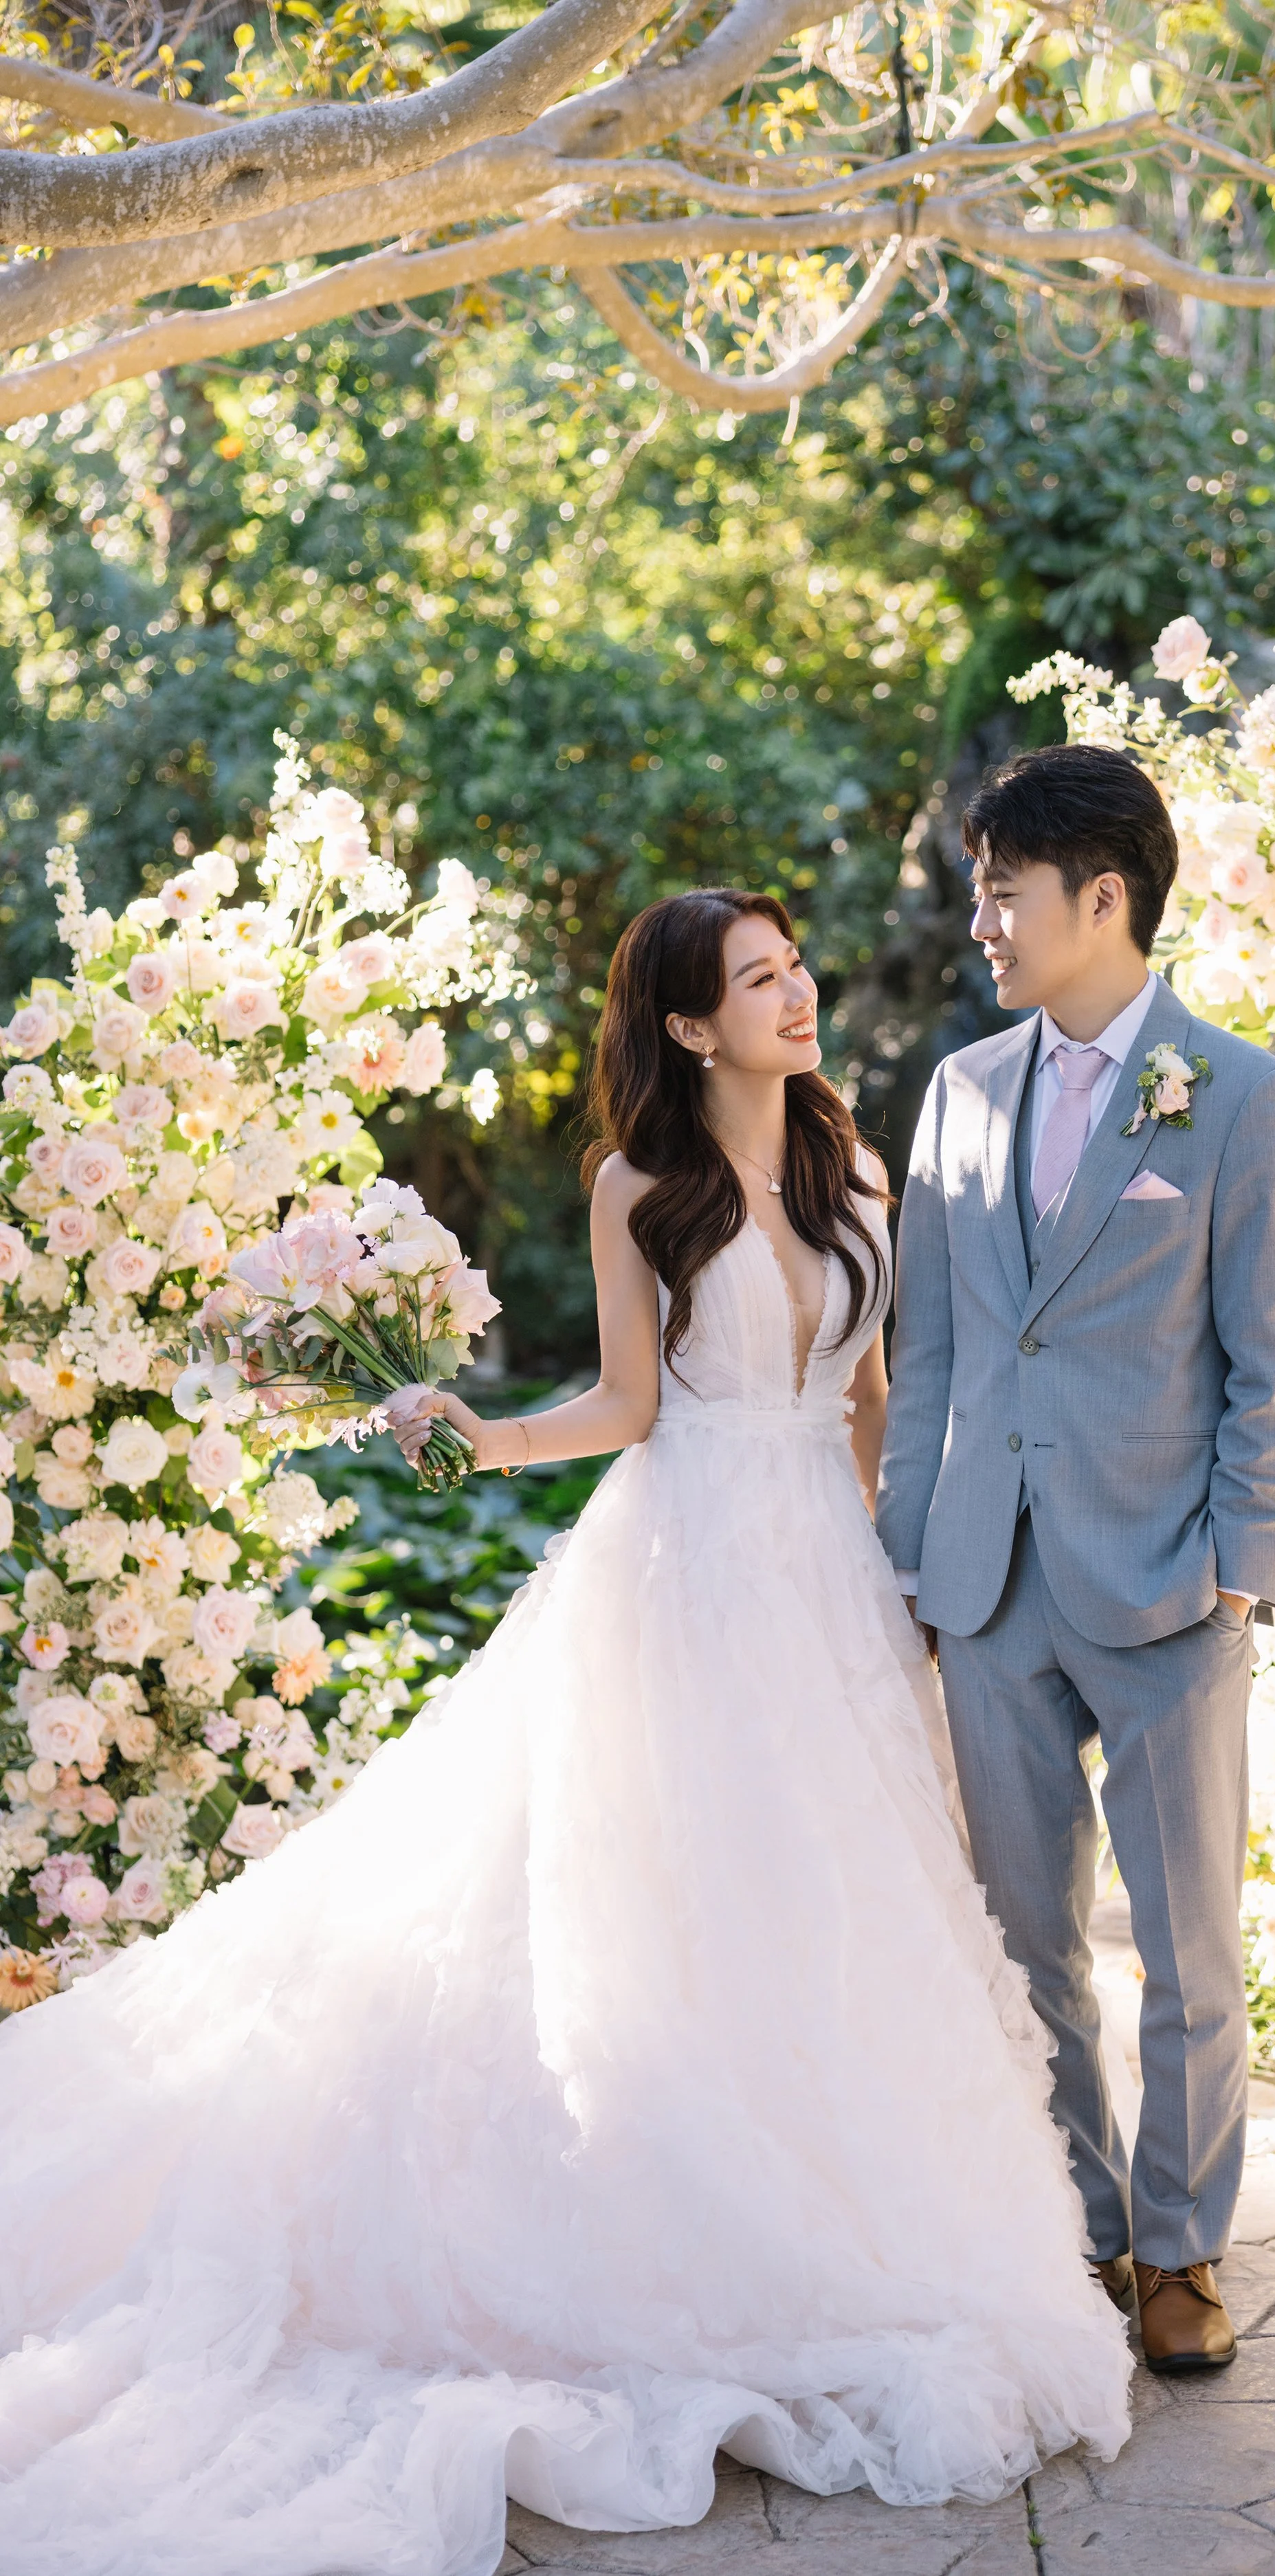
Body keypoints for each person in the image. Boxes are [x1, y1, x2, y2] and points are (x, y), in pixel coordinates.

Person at [0, 890, 1129, 2576]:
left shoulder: (859, 1167)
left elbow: (878, 1395)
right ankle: (687, 2226)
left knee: (858, 1905)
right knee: (692, 1901)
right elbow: (624, 1403)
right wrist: (477, 1430)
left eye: (791, 965)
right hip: (688, 1567)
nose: (794, 992)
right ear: (686, 1023)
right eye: (755, 979)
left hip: (837, 1574)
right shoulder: (635, 1187)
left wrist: (906, 1568)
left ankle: (855, 2215)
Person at [877, 744, 1275, 2373]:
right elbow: (931, 1348)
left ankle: (1185, 2251)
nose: (980, 921)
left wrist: (1235, 1562)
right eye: (980, 889)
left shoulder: (1242, 1098)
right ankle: (1081, 2225)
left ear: (1102, 897)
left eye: (1001, 890)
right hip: (987, 1587)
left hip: (1164, 1590)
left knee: (1188, 1946)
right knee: (1027, 1935)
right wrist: (912, 1563)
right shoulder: (960, 1090)